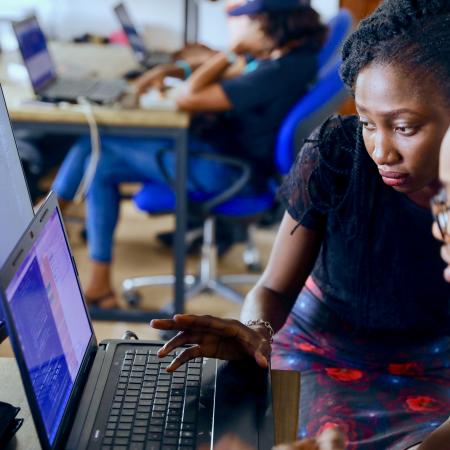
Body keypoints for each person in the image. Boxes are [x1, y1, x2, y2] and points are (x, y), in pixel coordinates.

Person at [151, 0, 450, 449]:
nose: (381, 151)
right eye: (368, 123)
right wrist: (258, 334)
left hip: (438, 360)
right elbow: (271, 290)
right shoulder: (335, 155)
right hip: (324, 345)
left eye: (405, 128)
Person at [51, 0, 327, 315]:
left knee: (94, 144)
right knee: (99, 162)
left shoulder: (280, 71)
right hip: (224, 156)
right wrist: (177, 68)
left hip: (227, 171)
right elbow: (230, 73)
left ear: (266, 24)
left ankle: (50, 220)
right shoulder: (285, 58)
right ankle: (96, 282)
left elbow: (189, 97)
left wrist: (228, 52)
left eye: (242, 20)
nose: (234, 27)